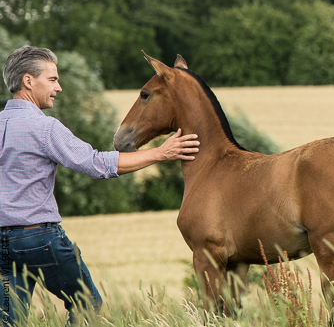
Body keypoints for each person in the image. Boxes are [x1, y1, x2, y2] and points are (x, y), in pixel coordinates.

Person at [0, 46, 200, 325]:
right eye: (53, 79)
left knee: (8, 319)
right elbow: (96, 164)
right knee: (87, 304)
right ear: (28, 81)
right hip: (40, 240)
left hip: (2, 247)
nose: (58, 88)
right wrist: (161, 153)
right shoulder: (44, 128)